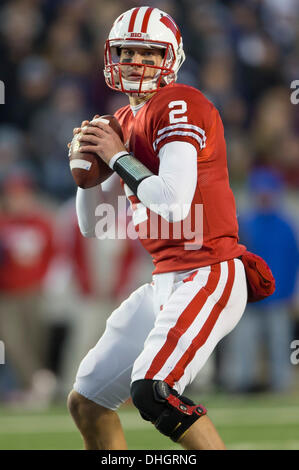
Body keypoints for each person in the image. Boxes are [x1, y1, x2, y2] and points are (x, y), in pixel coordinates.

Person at [67, 6, 250, 450]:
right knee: (86, 401)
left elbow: (172, 202)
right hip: (164, 278)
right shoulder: (122, 120)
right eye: (126, 51)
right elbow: (91, 226)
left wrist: (114, 157)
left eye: (148, 53)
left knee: (154, 392)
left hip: (209, 271)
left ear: (171, 58)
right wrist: (85, 173)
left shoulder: (179, 102)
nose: (135, 62)